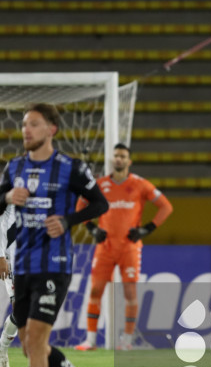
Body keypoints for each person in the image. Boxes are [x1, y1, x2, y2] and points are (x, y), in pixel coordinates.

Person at [0, 103, 109, 367]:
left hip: (54, 266)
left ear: (51, 129)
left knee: (38, 341)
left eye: (34, 124)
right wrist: (8, 196)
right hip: (23, 266)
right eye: (24, 124)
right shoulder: (14, 168)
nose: (26, 130)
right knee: (30, 347)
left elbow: (100, 203)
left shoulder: (70, 168)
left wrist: (69, 220)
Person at [74, 143, 173, 351]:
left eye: (123, 156)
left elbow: (166, 206)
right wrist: (91, 228)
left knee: (130, 293)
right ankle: (90, 340)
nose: (119, 159)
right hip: (106, 246)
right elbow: (81, 205)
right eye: (116, 156)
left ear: (129, 161)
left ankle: (126, 341)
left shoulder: (140, 184)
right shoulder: (99, 184)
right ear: (113, 159)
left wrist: (148, 228)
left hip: (129, 247)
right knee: (95, 290)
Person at [0, 205, 19, 367]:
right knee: (21, 309)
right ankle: (2, 348)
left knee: (39, 311)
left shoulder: (49, 180)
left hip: (38, 253)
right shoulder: (9, 182)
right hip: (13, 254)